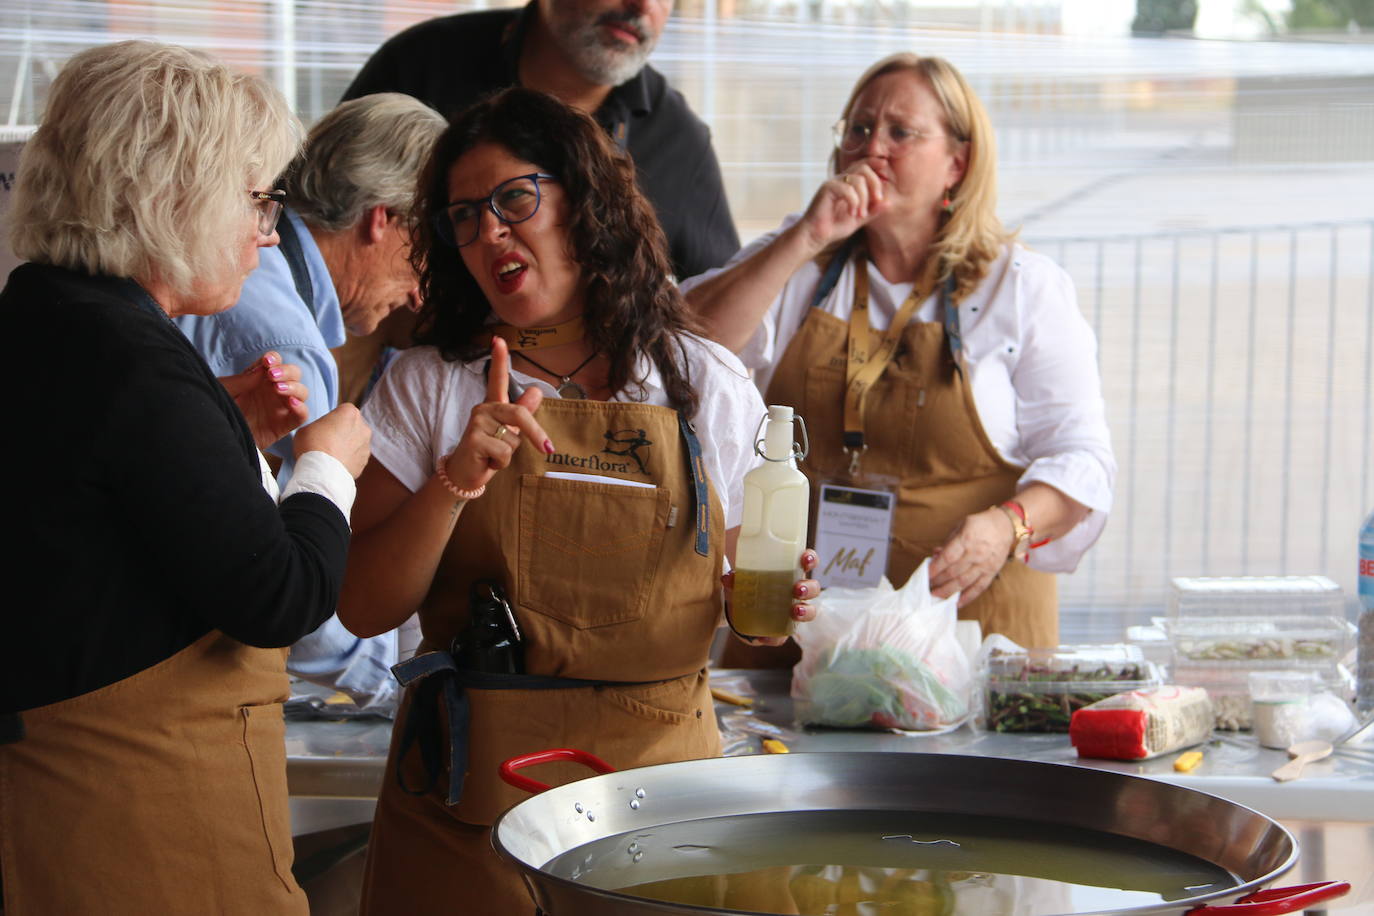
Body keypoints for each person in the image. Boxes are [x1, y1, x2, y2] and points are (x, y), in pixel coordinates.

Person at [335, 87, 817, 913]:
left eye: (513, 198)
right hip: (470, 798)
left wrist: (765, 595)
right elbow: (361, 605)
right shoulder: (429, 388)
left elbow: (742, 598)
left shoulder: (698, 381)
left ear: (584, 203)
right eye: (461, 216)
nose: (488, 232)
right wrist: (455, 481)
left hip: (663, 799)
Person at [0, 41, 370, 914]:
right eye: (256, 201)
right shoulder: (133, 360)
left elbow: (84, 511)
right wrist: (327, 463)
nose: (267, 234)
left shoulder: (41, 316)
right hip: (133, 818)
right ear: (169, 196)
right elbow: (279, 594)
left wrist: (218, 431)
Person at [683, 52, 1115, 651]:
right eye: (857, 129)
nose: (871, 149)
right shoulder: (800, 261)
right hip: (810, 639)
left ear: (957, 164)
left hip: (972, 638)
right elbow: (680, 351)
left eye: (899, 133)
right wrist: (804, 237)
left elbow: (1084, 461)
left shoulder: (1019, 287)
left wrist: (1007, 527)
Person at [176, 92, 447, 709]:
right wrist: (399, 682)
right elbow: (302, 598)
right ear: (381, 218)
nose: (417, 297)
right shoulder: (285, 340)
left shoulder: (272, 293)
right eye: (428, 250)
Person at [340, 0, 738, 283]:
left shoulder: (680, 141)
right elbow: (320, 218)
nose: (642, 5)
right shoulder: (420, 64)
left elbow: (713, 303)